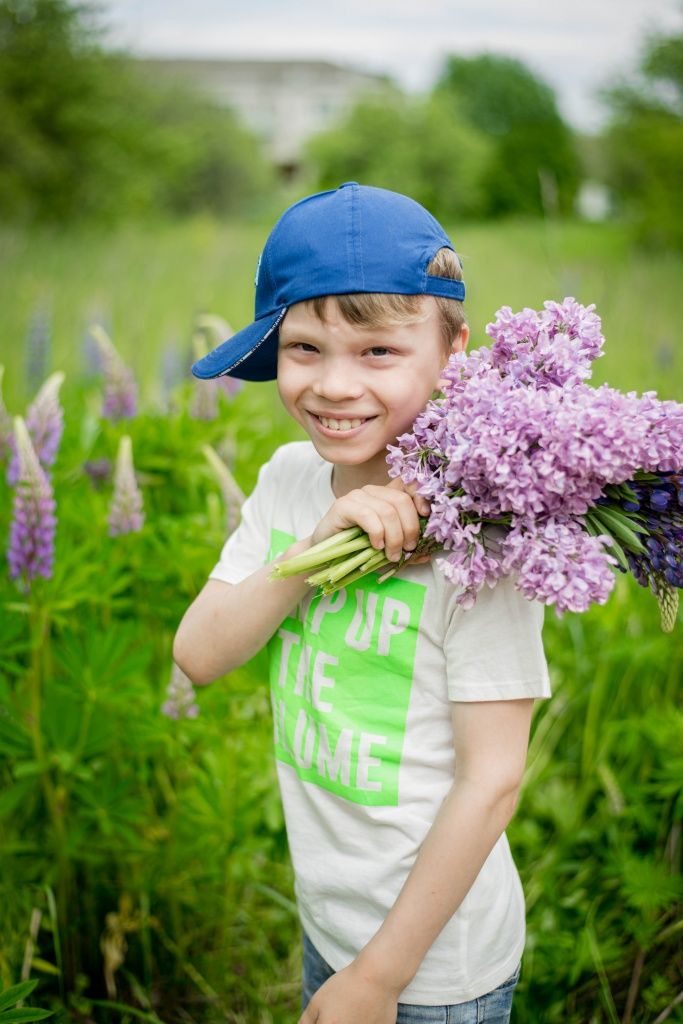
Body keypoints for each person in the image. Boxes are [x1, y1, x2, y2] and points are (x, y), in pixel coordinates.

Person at [173, 182, 552, 1024]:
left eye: (378, 351)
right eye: (304, 348)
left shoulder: (482, 534)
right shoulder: (288, 479)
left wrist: (380, 978)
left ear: (453, 348)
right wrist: (310, 552)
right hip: (333, 921)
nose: (334, 386)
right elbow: (198, 657)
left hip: (433, 963)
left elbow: (492, 780)